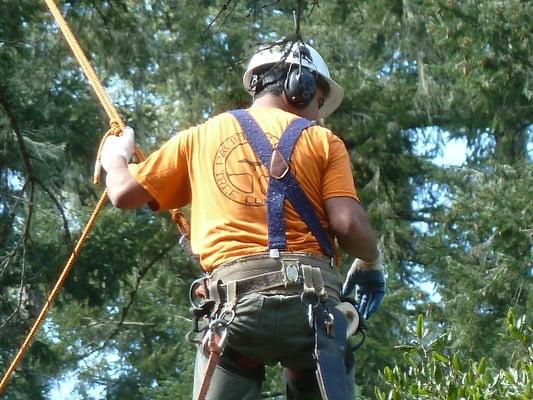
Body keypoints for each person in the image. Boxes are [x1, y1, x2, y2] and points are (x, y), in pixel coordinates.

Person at [101, 41, 385, 400]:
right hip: (313, 314)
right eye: (319, 101)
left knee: (230, 356)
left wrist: (117, 157)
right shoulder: (323, 141)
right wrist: (371, 261)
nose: (318, 114)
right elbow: (348, 225)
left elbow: (122, 192)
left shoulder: (200, 137)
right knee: (321, 360)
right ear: (303, 88)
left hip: (233, 309)